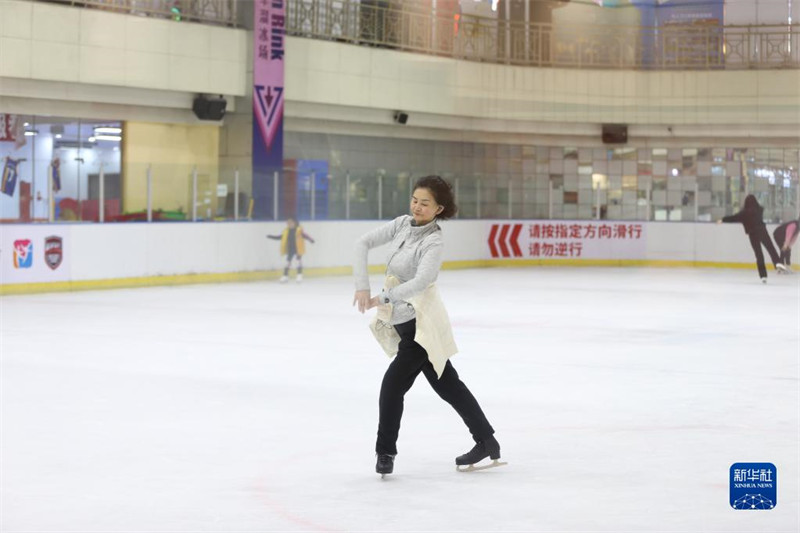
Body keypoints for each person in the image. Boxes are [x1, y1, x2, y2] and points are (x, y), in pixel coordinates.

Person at [353, 175, 502, 477]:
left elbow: (422, 282)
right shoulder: (401, 224)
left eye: (425, 203)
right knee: (448, 385)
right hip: (403, 323)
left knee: (392, 386)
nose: (417, 207)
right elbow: (362, 242)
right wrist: (361, 286)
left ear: (438, 209)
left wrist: (383, 296)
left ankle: (385, 452)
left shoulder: (434, 241)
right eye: (414, 200)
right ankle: (487, 441)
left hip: (422, 326)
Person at [721, 194, 788, 282]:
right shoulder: (759, 210)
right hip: (762, 231)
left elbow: (733, 218)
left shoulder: (744, 213)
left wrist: (723, 219)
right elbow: (759, 209)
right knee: (770, 248)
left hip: (753, 234)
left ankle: (763, 276)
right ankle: (777, 263)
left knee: (759, 254)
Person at [267, 217, 315, 283]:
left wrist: (311, 240)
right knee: (287, 262)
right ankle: (285, 276)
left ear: (294, 223)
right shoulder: (286, 231)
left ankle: (299, 275)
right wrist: (271, 237)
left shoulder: (299, 230)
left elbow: (305, 235)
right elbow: (280, 237)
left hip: (298, 248)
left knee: (298, 262)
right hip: (290, 249)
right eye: (287, 223)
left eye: (290, 223)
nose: (288, 224)